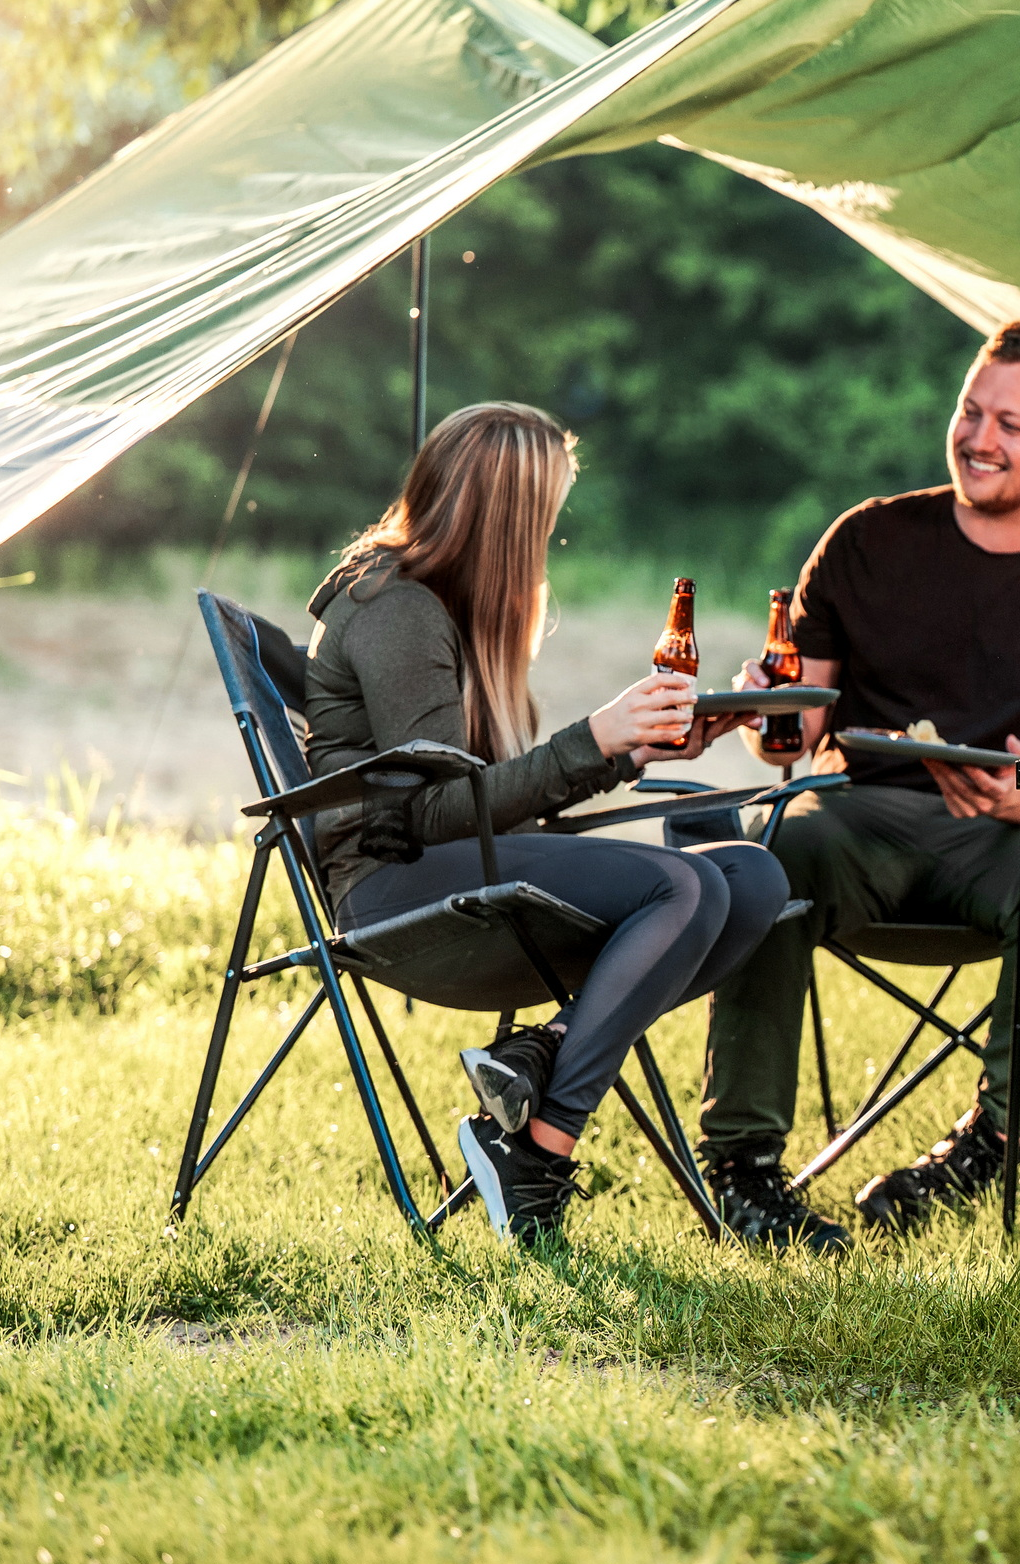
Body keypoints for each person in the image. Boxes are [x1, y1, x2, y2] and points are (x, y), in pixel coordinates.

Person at [302, 402, 789, 1248]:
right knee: (681, 882)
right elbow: (435, 814)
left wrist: (632, 752)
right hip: (393, 897)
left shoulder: (441, 607)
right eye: (547, 518)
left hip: (453, 874)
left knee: (750, 877)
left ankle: (535, 1074)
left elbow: (483, 796)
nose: (549, 540)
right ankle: (536, 1152)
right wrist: (592, 736)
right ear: (511, 516)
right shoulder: (395, 607)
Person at [699, 321, 1020, 1240]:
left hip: (1014, 835)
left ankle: (992, 1146)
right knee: (768, 856)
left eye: (1012, 424)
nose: (979, 437)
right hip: (862, 818)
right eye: (971, 411)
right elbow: (794, 737)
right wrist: (762, 706)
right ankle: (742, 1170)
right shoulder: (869, 538)